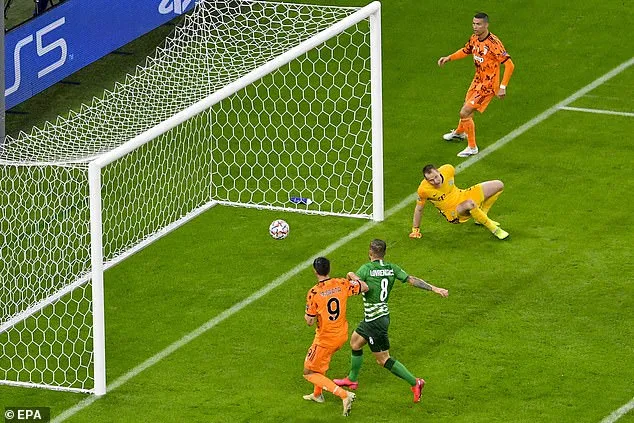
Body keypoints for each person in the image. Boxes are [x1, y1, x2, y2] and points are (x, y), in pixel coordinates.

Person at [334, 239, 449, 403]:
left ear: (370, 252)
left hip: (375, 321)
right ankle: (352, 379)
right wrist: (434, 288)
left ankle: (415, 382)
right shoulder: (391, 268)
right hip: (376, 318)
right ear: (384, 253)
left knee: (383, 359)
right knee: (355, 343)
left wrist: (352, 275)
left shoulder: (366, 268)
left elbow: (359, 285)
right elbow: (411, 279)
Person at [437, 12, 515, 157]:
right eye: (474, 23)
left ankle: (472, 147)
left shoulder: (494, 44)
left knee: (465, 112)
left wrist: (502, 87)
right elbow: (465, 50)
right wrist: (449, 58)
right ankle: (460, 132)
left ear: (486, 25)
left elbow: (510, 65)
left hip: (488, 85)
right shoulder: (474, 38)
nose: (475, 27)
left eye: (478, 24)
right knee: (466, 107)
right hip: (477, 80)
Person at [303, 256, 369, 417]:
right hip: (341, 335)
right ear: (329, 269)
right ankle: (317, 395)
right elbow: (364, 286)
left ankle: (344, 395)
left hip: (325, 339)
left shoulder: (314, 292)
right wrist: (352, 275)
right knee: (320, 365)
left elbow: (309, 321)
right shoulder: (341, 283)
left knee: (309, 372)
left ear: (315, 271)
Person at [409, 163, 509, 240]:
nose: (435, 181)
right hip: (453, 212)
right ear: (426, 180)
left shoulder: (448, 169)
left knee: (498, 185)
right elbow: (419, 209)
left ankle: (481, 217)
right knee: (470, 204)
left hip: (463, 195)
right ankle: (495, 230)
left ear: (439, 172)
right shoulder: (424, 190)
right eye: (431, 180)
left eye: (436, 177)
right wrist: (415, 229)